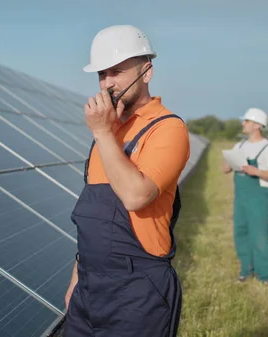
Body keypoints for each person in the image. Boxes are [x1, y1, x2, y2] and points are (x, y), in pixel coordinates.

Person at [63, 24, 190, 337]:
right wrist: (75, 283)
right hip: (88, 292)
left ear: (146, 72)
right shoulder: (106, 134)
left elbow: (136, 196)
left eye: (117, 71)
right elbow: (93, 224)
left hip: (137, 295)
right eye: (101, 75)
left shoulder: (167, 129)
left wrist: (103, 133)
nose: (108, 84)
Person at [222, 108, 268, 284]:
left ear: (256, 125)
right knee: (241, 232)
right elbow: (225, 169)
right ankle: (246, 268)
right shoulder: (239, 146)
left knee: (259, 234)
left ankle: (265, 274)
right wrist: (229, 162)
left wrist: (256, 171)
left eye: (246, 121)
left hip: (258, 197)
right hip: (241, 197)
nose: (243, 124)